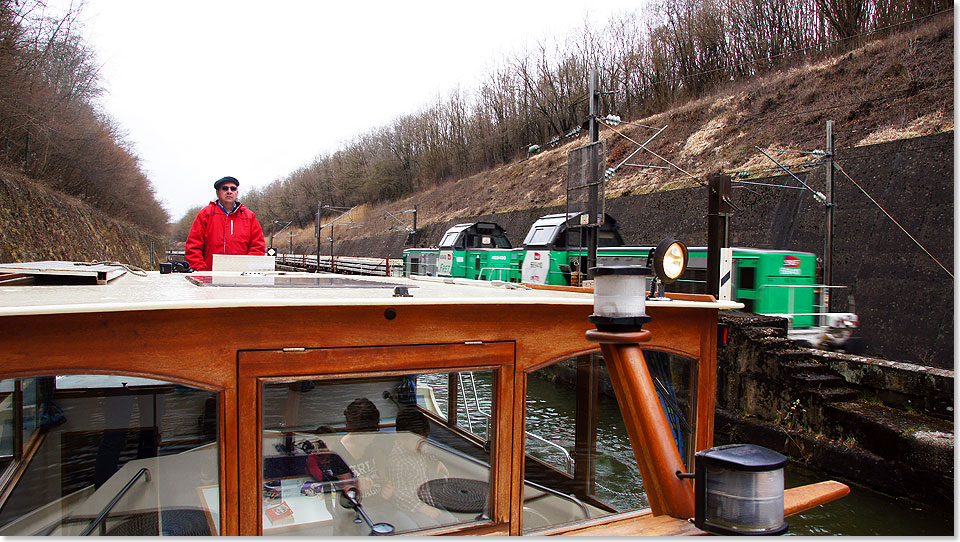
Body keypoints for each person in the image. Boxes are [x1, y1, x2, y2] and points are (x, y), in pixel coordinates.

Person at [185, 176, 265, 271]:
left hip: (242, 278)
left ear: (237, 193)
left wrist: (246, 269)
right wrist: (203, 272)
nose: (229, 191)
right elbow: (193, 247)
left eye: (233, 188)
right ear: (218, 193)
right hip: (210, 277)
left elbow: (258, 247)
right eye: (225, 188)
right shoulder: (205, 214)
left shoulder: (249, 217)